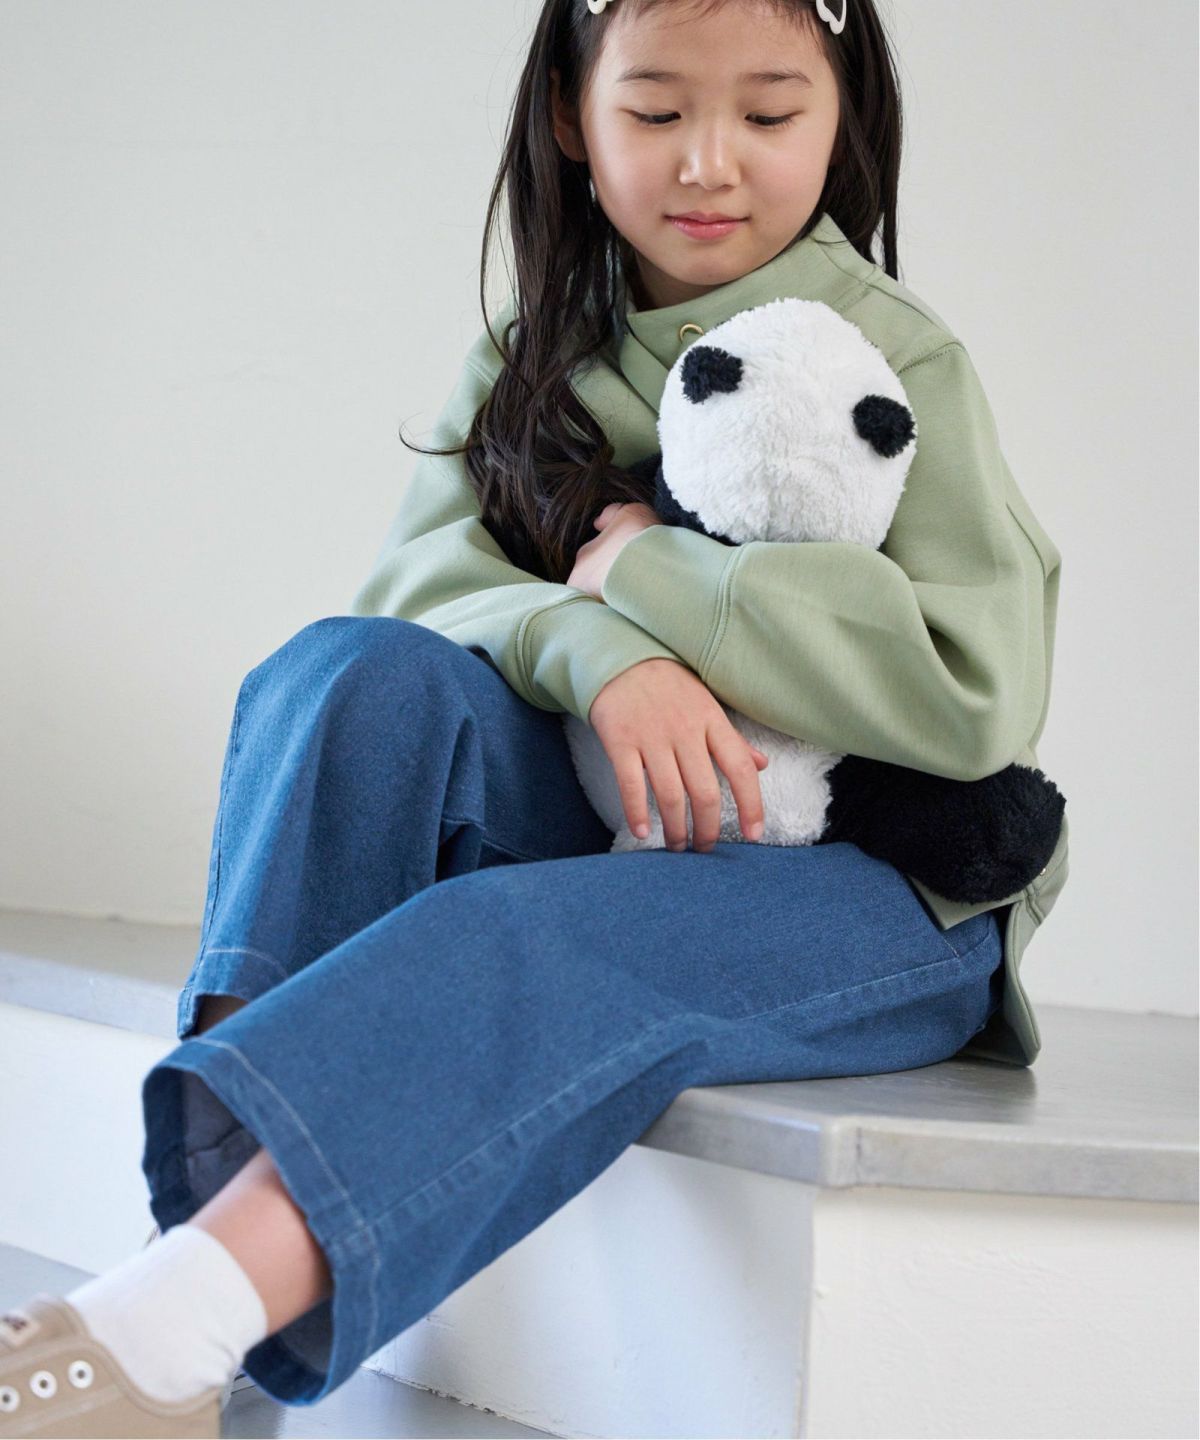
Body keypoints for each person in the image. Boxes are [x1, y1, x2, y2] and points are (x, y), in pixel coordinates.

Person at [0, 0, 1069, 1435]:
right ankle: (186, 1309)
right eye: (654, 111)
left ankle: (163, 1333)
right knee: (344, 677)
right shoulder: (538, 345)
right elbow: (415, 589)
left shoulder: (896, 357)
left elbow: (979, 687)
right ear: (571, 116)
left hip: (879, 888)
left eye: (768, 114)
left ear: (842, 117)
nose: (709, 162)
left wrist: (650, 573)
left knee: (516, 934)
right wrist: (598, 652)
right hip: (618, 810)